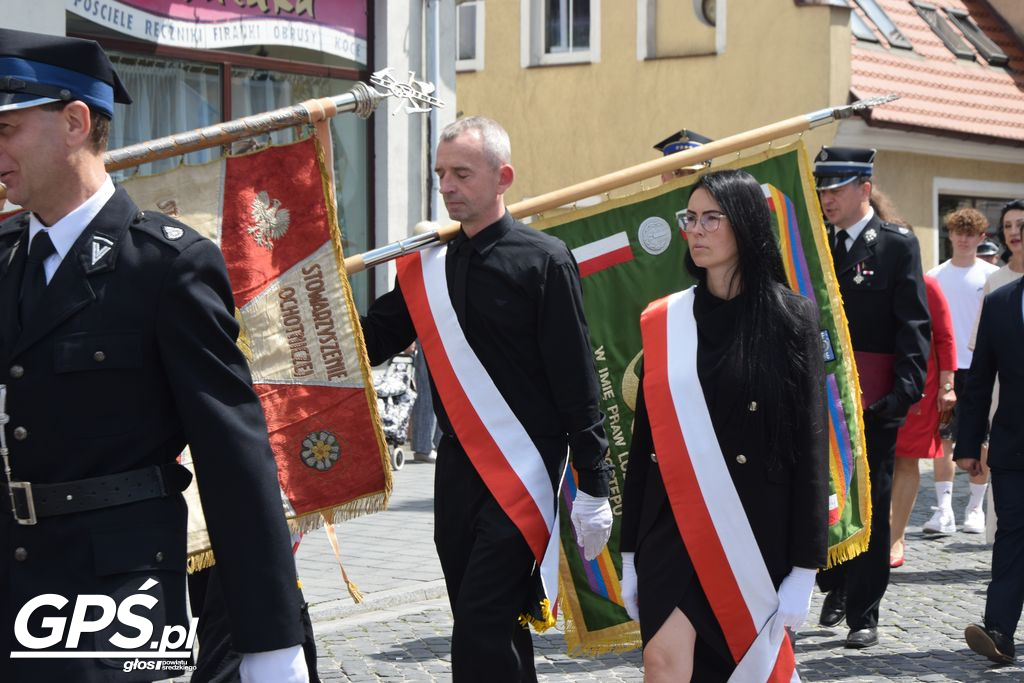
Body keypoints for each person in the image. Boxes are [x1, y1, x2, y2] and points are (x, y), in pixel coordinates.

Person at [0, 29, 307, 682]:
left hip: (114, 594)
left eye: (6, 129)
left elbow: (234, 456)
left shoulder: (167, 266)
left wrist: (270, 639)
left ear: (74, 122)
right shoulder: (4, 259)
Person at [358, 116, 613, 682]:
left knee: (479, 620)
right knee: (491, 620)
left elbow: (577, 384)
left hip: (524, 469)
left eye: (461, 174)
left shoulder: (543, 260)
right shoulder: (428, 265)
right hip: (457, 468)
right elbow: (374, 338)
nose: (446, 186)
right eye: (440, 174)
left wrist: (594, 485)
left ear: (503, 178)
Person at [618, 169, 829, 681]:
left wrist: (805, 568)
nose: (697, 229)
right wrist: (629, 552)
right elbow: (645, 440)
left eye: (713, 217)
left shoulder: (790, 318)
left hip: (751, 535)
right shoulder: (666, 320)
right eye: (690, 217)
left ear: (746, 226)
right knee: (661, 662)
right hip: (672, 527)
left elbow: (811, 449)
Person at [812, 147, 929, 648]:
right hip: (821, 396)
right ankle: (835, 581)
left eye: (836, 189)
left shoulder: (896, 245)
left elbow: (913, 324)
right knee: (824, 496)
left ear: (864, 189)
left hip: (873, 399)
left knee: (872, 501)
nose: (826, 198)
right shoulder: (816, 244)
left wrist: (903, 394)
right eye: (822, 189)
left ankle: (865, 613)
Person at [954, 274, 1024, 665]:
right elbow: (979, 380)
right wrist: (968, 444)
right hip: (1014, 446)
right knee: (1012, 532)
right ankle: (999, 632)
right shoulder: (999, 303)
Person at [924, 208, 998, 536]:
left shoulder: (991, 276)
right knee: (943, 440)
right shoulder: (934, 276)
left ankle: (975, 508)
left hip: (984, 367)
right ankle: (943, 511)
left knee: (982, 439)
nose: (964, 238)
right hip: (946, 369)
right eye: (959, 232)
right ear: (950, 235)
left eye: (971, 233)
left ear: (981, 238)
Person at [890, 274, 956, 568]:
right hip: (876, 378)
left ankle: (895, 537)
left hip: (920, 386)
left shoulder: (927, 285)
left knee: (905, 459)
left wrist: (947, 385)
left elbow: (944, 336)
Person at [409, 342, 440, 462]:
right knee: (426, 389)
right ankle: (423, 447)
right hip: (426, 333)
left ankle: (437, 444)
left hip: (442, 333)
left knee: (441, 389)